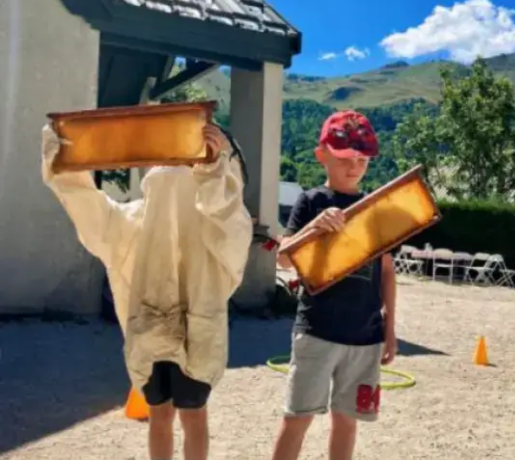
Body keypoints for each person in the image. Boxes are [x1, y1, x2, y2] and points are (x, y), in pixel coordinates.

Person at [41, 122, 253, 460]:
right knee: (161, 415)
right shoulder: (138, 217)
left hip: (196, 328)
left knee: (192, 414)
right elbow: (97, 219)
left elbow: (230, 224)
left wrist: (213, 169)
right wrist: (64, 162)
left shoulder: (216, 213)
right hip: (153, 328)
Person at [270, 110, 398, 460]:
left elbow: (386, 270)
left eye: (362, 159)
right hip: (317, 331)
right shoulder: (311, 201)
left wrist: (390, 328)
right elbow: (283, 258)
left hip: (366, 335)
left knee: (348, 421)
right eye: (345, 158)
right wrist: (314, 227)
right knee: (297, 418)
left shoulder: (375, 208)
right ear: (322, 155)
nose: (354, 166)